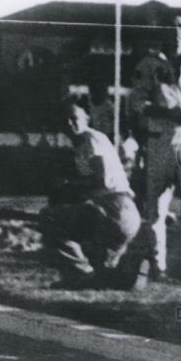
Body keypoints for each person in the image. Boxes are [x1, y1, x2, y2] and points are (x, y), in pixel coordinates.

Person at [130, 16, 181, 283]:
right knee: (156, 206)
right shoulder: (149, 64)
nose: (175, 31)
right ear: (162, 31)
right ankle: (159, 266)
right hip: (161, 139)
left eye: (180, 25)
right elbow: (137, 102)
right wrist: (167, 113)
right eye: (170, 26)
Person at [39, 103, 141, 288]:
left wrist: (67, 187)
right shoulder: (81, 146)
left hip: (114, 208)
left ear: (86, 120)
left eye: (74, 118)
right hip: (123, 213)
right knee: (74, 221)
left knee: (49, 217)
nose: (69, 123)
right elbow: (87, 182)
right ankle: (121, 277)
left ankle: (80, 274)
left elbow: (98, 179)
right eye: (65, 120)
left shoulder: (91, 139)